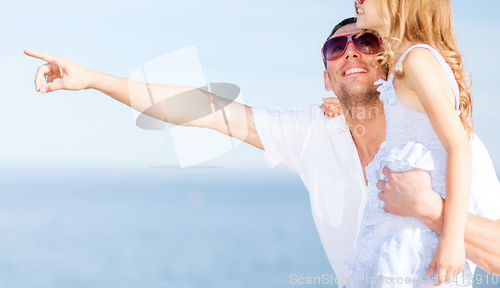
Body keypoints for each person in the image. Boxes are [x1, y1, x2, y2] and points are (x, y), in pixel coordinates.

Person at [24, 18, 500, 282]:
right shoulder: (314, 133)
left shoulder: (449, 142)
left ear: (385, 62)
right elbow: (204, 109)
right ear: (327, 75)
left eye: (365, 40)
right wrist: (91, 80)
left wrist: (432, 210)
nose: (350, 50)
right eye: (337, 46)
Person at [340, 0, 478, 287]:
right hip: (404, 225)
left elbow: (459, 147)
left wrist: (452, 238)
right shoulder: (405, 65)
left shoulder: (417, 61)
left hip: (418, 235)